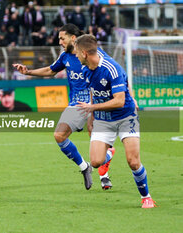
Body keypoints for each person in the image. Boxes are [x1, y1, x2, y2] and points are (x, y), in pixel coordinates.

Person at [13, 24, 115, 190]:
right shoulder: (65, 56)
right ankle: (84, 167)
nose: (59, 41)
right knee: (59, 135)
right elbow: (50, 70)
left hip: (95, 102)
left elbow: (110, 72)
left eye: (62, 38)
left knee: (95, 143)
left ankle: (104, 175)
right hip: (76, 104)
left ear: (73, 38)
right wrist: (28, 72)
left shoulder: (92, 53)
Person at [75, 34, 156, 208]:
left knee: (133, 161)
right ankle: (110, 153)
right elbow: (93, 91)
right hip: (103, 120)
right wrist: (91, 118)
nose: (75, 55)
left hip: (126, 116)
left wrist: (92, 108)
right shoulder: (86, 69)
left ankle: (146, 197)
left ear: (84, 53)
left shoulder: (112, 68)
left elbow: (119, 100)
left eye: (76, 52)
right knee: (96, 162)